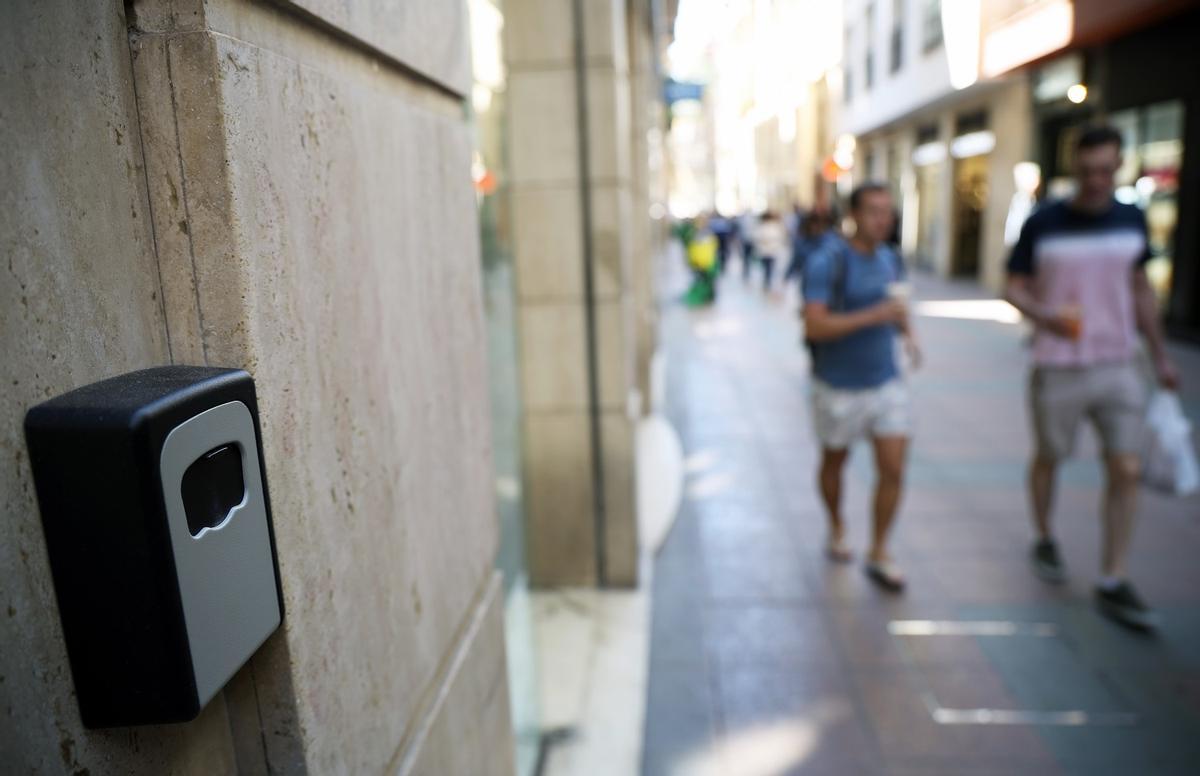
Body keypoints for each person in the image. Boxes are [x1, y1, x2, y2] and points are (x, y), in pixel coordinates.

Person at [1004, 125, 1180, 631]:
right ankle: (1044, 536)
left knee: (1125, 468)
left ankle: (1113, 575)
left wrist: (1161, 355)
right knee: (1050, 458)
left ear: (1119, 167)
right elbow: (1012, 286)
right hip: (1057, 363)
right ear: (1075, 168)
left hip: (1118, 362)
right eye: (1087, 171)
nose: (1097, 180)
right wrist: (1045, 317)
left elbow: (1140, 289)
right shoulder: (1044, 221)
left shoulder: (1132, 219)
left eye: (1106, 170)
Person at [802, 183, 921, 591]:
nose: (882, 219)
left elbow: (895, 306)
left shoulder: (891, 259)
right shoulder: (828, 261)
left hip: (885, 381)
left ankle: (879, 549)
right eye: (873, 211)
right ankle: (836, 525)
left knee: (893, 467)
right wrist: (874, 316)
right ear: (853, 214)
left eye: (887, 211)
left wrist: (908, 333)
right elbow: (814, 325)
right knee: (835, 462)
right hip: (837, 386)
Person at [754, 211, 790, 293]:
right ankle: (767, 282)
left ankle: (767, 282)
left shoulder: (775, 226)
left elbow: (781, 237)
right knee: (767, 268)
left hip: (772, 251)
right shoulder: (763, 226)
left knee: (769, 268)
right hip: (765, 251)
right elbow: (757, 238)